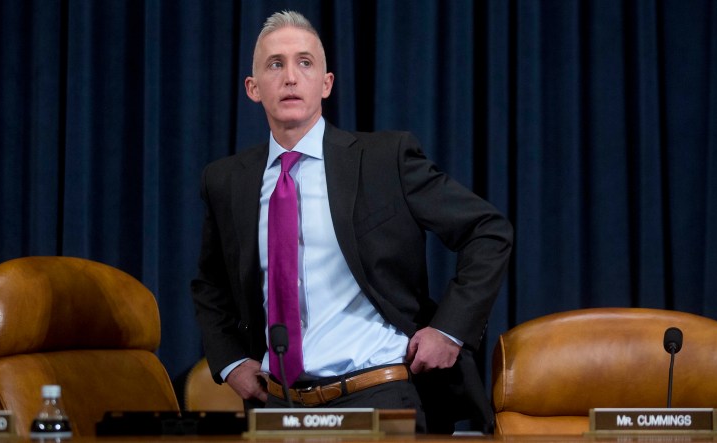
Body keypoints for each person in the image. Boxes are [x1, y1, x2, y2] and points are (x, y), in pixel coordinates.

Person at [190, 10, 513, 433]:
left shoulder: (385, 160)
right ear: (253, 88)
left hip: (381, 394)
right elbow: (210, 284)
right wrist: (230, 360)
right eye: (276, 64)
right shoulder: (225, 180)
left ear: (326, 84)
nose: (290, 77)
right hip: (278, 404)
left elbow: (487, 231)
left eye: (305, 63)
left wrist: (450, 331)